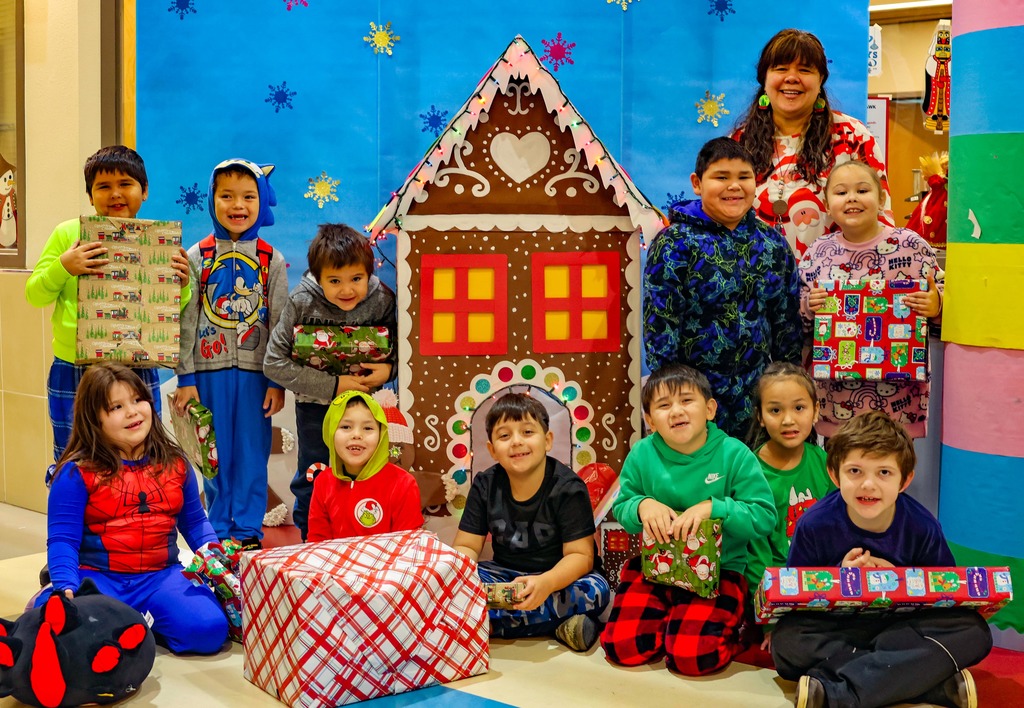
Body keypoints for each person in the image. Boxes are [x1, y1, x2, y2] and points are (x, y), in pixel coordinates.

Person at [772, 411, 992, 708]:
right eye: (855, 471)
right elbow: (795, 597)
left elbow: (946, 595)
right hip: (841, 630)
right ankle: (927, 685)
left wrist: (901, 580)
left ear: (905, 480)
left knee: (974, 632)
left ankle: (837, 693)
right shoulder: (813, 524)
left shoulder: (922, 526)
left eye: (884, 473)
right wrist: (839, 577)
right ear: (835, 475)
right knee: (786, 642)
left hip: (902, 631)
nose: (868, 485)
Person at [42, 363, 228, 655]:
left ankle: (140, 622)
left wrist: (218, 562)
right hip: (99, 578)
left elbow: (195, 523)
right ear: (94, 419)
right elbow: (63, 539)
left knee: (210, 630)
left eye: (138, 400)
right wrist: (65, 585)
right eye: (116, 407)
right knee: (58, 629)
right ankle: (56, 590)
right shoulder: (74, 474)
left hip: (161, 576)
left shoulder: (176, 463)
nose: (132, 412)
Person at [600, 364, 775, 675]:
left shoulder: (734, 454)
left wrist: (714, 508)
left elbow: (763, 517)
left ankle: (717, 628)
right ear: (650, 420)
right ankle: (672, 618)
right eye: (664, 405)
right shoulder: (642, 454)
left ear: (709, 409)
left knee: (693, 658)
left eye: (686, 400)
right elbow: (623, 507)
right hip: (655, 569)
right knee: (622, 647)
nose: (676, 411)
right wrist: (642, 505)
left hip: (719, 573)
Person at [25, 145, 190, 466]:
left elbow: (177, 308)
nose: (115, 194)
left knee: (142, 457)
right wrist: (64, 266)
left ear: (144, 191)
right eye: (103, 186)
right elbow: (35, 294)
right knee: (76, 458)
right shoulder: (69, 234)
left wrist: (182, 286)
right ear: (90, 196)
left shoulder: (158, 240)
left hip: (137, 366)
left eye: (125, 184)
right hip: (75, 368)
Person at [644, 137, 802, 439]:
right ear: (697, 183)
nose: (734, 186)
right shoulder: (673, 243)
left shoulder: (772, 244)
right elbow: (660, 326)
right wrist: (673, 397)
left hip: (757, 400)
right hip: (694, 401)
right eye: (721, 177)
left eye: (744, 177)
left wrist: (788, 388)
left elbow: (786, 326)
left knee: (756, 468)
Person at [173, 158, 288, 550]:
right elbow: (185, 322)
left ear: (261, 202)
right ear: (212, 199)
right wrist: (186, 378)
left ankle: (249, 531)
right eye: (227, 196)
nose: (238, 205)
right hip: (208, 374)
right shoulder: (197, 256)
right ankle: (218, 530)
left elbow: (280, 324)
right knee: (213, 454)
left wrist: (276, 381)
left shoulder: (272, 259)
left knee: (252, 455)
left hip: (257, 377)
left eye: (248, 197)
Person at [264, 223, 397, 540]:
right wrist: (335, 386)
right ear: (318, 276)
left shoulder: (382, 299)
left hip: (367, 409)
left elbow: (405, 348)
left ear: (368, 273)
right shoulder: (301, 301)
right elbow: (273, 362)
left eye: (356, 279)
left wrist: (389, 371)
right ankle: (312, 541)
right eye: (334, 281)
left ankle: (363, 537)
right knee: (314, 474)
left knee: (367, 472)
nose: (347, 290)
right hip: (316, 409)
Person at [452, 393, 611, 653]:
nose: (517, 441)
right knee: (457, 583)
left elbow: (581, 556)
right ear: (492, 449)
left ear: (547, 440)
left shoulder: (568, 488)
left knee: (596, 590)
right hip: (505, 576)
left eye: (527, 432)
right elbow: (466, 547)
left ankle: (487, 624)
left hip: (558, 578)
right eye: (504, 436)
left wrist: (547, 582)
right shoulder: (485, 484)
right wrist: (460, 581)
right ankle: (559, 625)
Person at [800, 160, 943, 438]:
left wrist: (936, 304)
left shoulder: (911, 245)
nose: (852, 198)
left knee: (892, 462)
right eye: (841, 192)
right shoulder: (818, 252)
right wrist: (808, 306)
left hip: (900, 403)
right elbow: (798, 309)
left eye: (862, 190)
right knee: (842, 463)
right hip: (837, 402)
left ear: (881, 199)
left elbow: (944, 290)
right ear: (827, 205)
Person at [733, 29, 893, 258]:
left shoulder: (852, 136)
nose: (792, 77)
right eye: (781, 69)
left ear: (820, 81)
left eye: (805, 70)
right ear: (764, 80)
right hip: (755, 277)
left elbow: (880, 215)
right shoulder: (739, 142)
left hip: (835, 276)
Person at [743, 362, 834, 645]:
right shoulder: (750, 473)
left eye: (799, 408)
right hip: (776, 588)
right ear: (760, 416)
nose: (788, 420)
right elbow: (756, 556)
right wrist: (771, 620)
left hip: (823, 581)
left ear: (816, 410)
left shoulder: (826, 464)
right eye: (775, 410)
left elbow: (839, 529)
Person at [307, 391, 422, 541]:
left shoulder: (403, 484)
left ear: (381, 435)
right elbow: (317, 541)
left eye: (367, 428)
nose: (356, 435)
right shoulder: (323, 482)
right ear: (330, 432)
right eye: (346, 427)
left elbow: (408, 544)